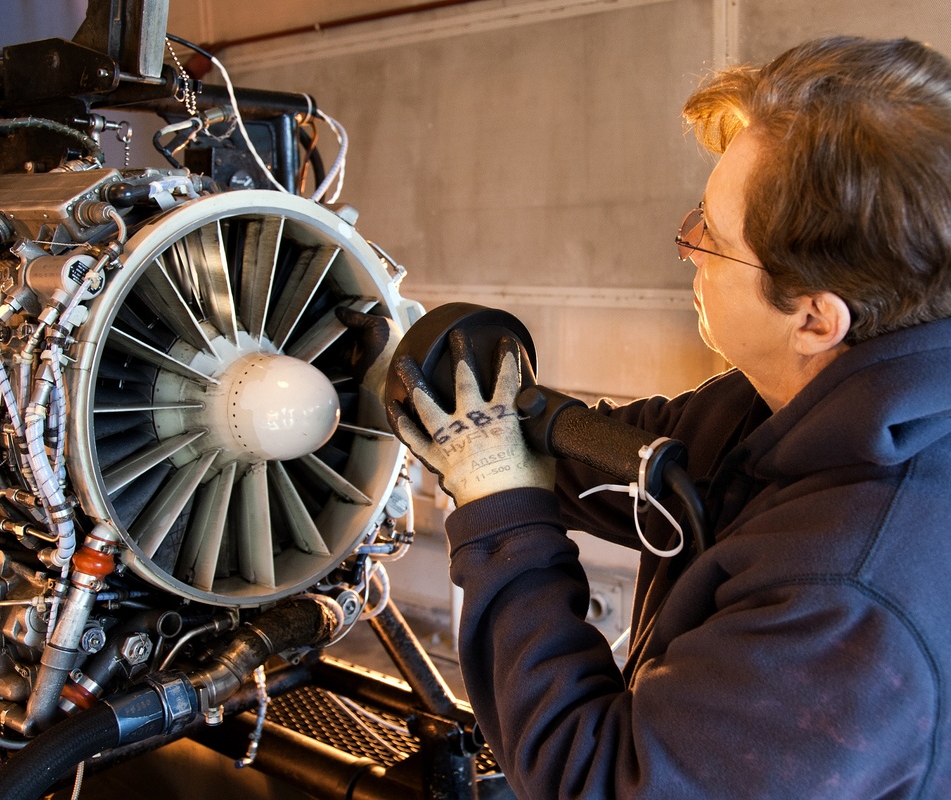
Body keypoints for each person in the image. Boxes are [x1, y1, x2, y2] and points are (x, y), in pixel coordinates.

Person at [385, 36, 951, 799]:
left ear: (816, 319)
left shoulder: (847, 602)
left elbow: (595, 779)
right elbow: (630, 456)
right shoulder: (800, 399)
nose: (687, 248)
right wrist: (481, 409)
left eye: (714, 239)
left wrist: (496, 504)